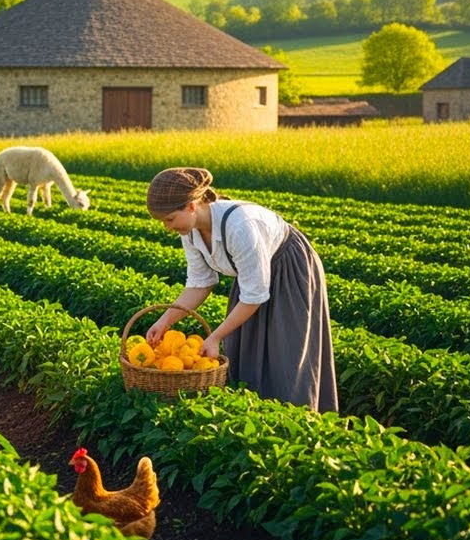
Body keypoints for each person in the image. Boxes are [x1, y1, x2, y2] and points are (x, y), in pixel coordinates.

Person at [144, 167, 337, 413]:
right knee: (243, 350)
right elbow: (200, 283)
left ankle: (297, 421)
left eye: (169, 219)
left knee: (286, 354)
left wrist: (214, 337)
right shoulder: (190, 231)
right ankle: (255, 416)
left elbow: (254, 296)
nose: (167, 227)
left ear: (191, 206)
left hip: (288, 270)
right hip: (251, 280)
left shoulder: (240, 226)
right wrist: (165, 320)